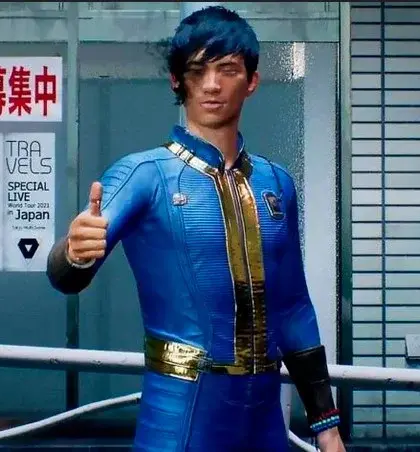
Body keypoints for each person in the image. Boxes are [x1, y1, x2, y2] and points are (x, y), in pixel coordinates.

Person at [47, 5, 346, 452]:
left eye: (227, 70)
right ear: (176, 80)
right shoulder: (144, 174)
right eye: (197, 70)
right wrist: (73, 253)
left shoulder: (276, 182)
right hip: (179, 413)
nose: (211, 85)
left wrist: (327, 425)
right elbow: (65, 276)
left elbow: (294, 309)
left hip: (264, 417)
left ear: (252, 80)